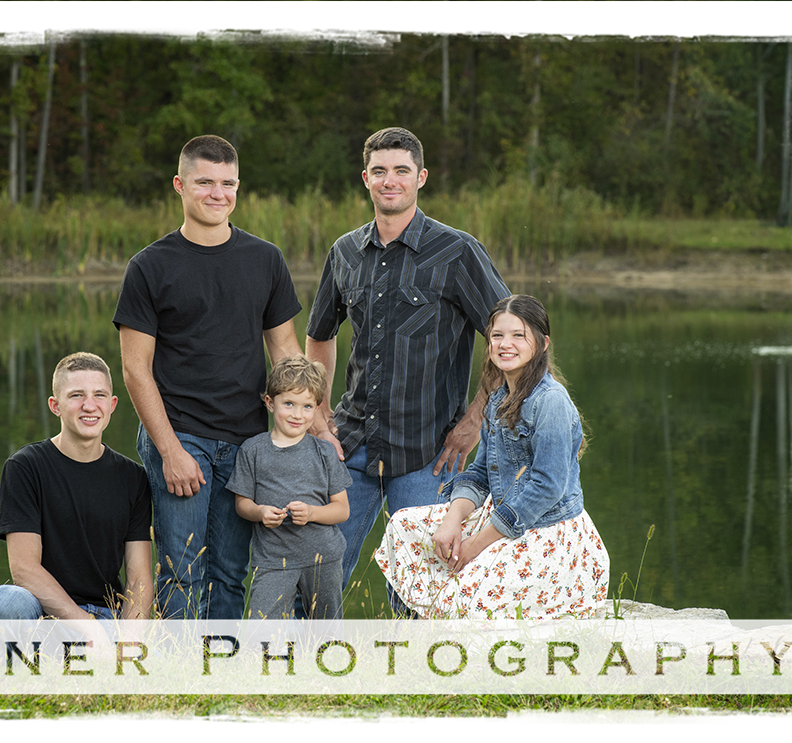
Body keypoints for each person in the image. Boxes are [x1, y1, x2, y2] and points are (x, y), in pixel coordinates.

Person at [305, 126, 511, 595]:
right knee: (317, 574)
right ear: (365, 178)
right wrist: (318, 415)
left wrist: (476, 420)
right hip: (351, 446)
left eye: (401, 171)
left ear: (421, 177)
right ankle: (310, 663)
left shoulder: (457, 251)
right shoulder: (345, 252)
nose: (389, 180)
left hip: (430, 453)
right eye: (379, 171)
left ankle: (415, 667)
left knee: (423, 588)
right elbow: (319, 336)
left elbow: (509, 339)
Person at [114, 135, 303, 620]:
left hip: (247, 440)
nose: (217, 193)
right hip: (180, 434)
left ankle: (219, 669)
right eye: (205, 183)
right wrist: (170, 450)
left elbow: (285, 351)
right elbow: (135, 369)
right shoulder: (150, 266)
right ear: (180, 185)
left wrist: (314, 424)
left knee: (229, 567)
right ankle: (179, 675)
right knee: (182, 567)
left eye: (228, 184)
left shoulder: (265, 259)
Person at [374, 295, 609, 619]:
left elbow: (547, 486)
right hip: (499, 516)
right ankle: (413, 630)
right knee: (402, 527)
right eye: (497, 335)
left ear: (542, 344)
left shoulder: (550, 401)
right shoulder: (499, 398)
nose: (505, 344)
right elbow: (481, 473)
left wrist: (476, 545)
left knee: (464, 598)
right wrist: (451, 521)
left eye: (518, 335)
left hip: (545, 533)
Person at [0, 352, 153, 622]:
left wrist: (126, 646)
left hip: (106, 617)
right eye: (76, 396)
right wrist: (85, 627)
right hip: (44, 613)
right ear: (55, 405)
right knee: (6, 602)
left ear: (113, 404)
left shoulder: (133, 478)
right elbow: (24, 569)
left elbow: (139, 578)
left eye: (100, 395)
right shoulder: (25, 467)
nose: (90, 406)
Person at [227, 355, 352, 620]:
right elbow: (242, 504)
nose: (298, 414)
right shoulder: (253, 450)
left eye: (307, 406)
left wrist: (312, 513)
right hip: (273, 560)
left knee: (326, 632)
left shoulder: (324, 452)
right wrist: (260, 512)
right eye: (289, 404)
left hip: (323, 558)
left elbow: (342, 510)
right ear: (270, 403)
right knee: (264, 631)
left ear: (317, 408)